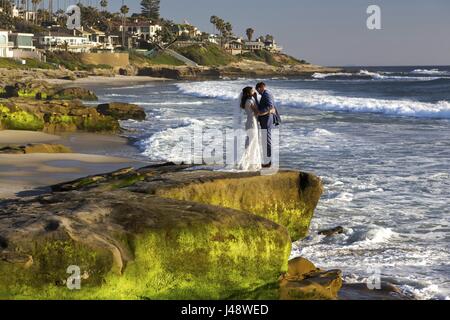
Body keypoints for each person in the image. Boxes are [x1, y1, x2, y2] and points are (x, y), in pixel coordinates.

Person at [237, 87, 262, 172]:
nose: (254, 91)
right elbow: (257, 112)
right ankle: (247, 163)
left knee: (250, 141)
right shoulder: (250, 101)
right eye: (252, 90)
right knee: (252, 142)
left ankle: (248, 163)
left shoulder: (244, 102)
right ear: (248, 93)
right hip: (252, 122)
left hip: (249, 121)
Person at [255, 82, 276, 168]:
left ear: (260, 88)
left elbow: (270, 106)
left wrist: (260, 113)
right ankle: (268, 161)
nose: (257, 92)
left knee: (267, 140)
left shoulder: (266, 94)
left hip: (267, 120)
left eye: (257, 89)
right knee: (266, 140)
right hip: (265, 120)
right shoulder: (266, 94)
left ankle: (269, 162)